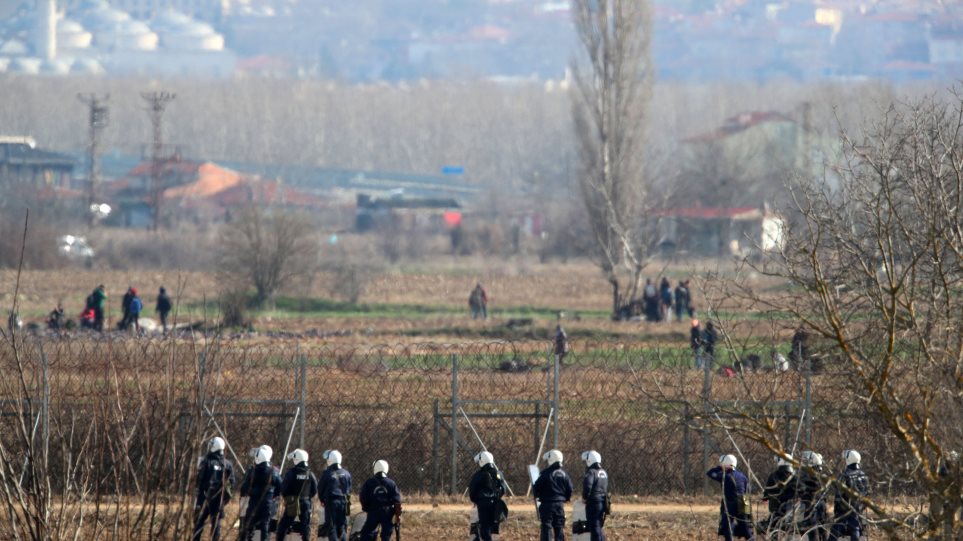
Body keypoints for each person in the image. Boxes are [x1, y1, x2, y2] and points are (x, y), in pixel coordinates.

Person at [192, 437, 236, 541]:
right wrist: (225, 498)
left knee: (199, 521)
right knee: (216, 524)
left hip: (204, 496)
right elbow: (232, 483)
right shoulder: (228, 464)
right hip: (218, 498)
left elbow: (198, 479)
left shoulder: (206, 462)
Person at [707, 454, 754, 541]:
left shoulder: (724, 476)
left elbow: (710, 473)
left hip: (731, 502)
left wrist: (720, 467)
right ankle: (751, 539)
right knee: (745, 526)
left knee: (726, 526)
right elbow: (748, 490)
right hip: (745, 501)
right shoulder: (742, 476)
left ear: (725, 464)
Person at [240, 445, 282, 541]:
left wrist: (248, 492)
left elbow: (244, 488)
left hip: (254, 502)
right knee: (265, 526)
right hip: (267, 503)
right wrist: (274, 496)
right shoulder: (273, 472)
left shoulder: (252, 471)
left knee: (249, 525)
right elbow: (280, 486)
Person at [277, 449, 318, 541]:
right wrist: (307, 497)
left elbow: (284, 489)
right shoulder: (310, 474)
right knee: (305, 527)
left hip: (292, 502)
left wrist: (288, 498)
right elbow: (314, 490)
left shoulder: (291, 473)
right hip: (306, 502)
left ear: (296, 459)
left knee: (283, 526)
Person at [829, 450, 870, 541]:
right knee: (855, 530)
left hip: (844, 512)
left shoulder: (845, 475)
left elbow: (838, 496)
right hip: (858, 510)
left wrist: (837, 511)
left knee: (833, 535)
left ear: (848, 460)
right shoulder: (863, 475)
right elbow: (867, 493)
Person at [533, 449, 573, 541]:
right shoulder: (564, 474)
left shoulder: (545, 474)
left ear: (551, 460)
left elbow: (536, 488)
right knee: (559, 527)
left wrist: (538, 495)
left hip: (547, 505)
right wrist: (566, 498)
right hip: (560, 505)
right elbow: (570, 488)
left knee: (546, 527)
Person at [358, 459, 402, 541]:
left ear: (375, 469)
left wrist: (366, 508)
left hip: (373, 511)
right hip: (387, 512)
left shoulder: (369, 483)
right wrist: (397, 515)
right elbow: (397, 501)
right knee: (386, 533)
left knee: (367, 532)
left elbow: (363, 497)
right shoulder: (391, 483)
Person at [468, 451, 507, 541]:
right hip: (496, 505)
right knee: (492, 528)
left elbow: (472, 491)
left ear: (482, 462)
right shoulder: (499, 474)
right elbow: (503, 489)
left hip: (483, 505)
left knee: (483, 529)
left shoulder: (479, 475)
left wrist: (477, 500)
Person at [318, 449, 352, 541]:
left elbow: (320, 488)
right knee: (341, 526)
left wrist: (322, 500)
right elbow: (349, 489)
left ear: (330, 460)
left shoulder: (327, 474)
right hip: (343, 501)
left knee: (331, 526)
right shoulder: (347, 474)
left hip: (331, 501)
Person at [797, 451, 829, 541]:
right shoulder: (821, 474)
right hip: (822, 503)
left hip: (811, 505)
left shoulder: (807, 474)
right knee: (822, 529)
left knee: (813, 530)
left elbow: (800, 489)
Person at [762, 456, 795, 534]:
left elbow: (767, 492)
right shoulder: (794, 477)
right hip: (790, 509)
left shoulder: (773, 475)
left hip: (775, 508)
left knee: (773, 530)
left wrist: (765, 498)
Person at [581, 450, 609, 541]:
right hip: (602, 502)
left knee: (594, 527)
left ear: (589, 461)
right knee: (598, 526)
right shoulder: (603, 472)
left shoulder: (591, 472)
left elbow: (587, 486)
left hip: (593, 503)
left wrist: (585, 497)